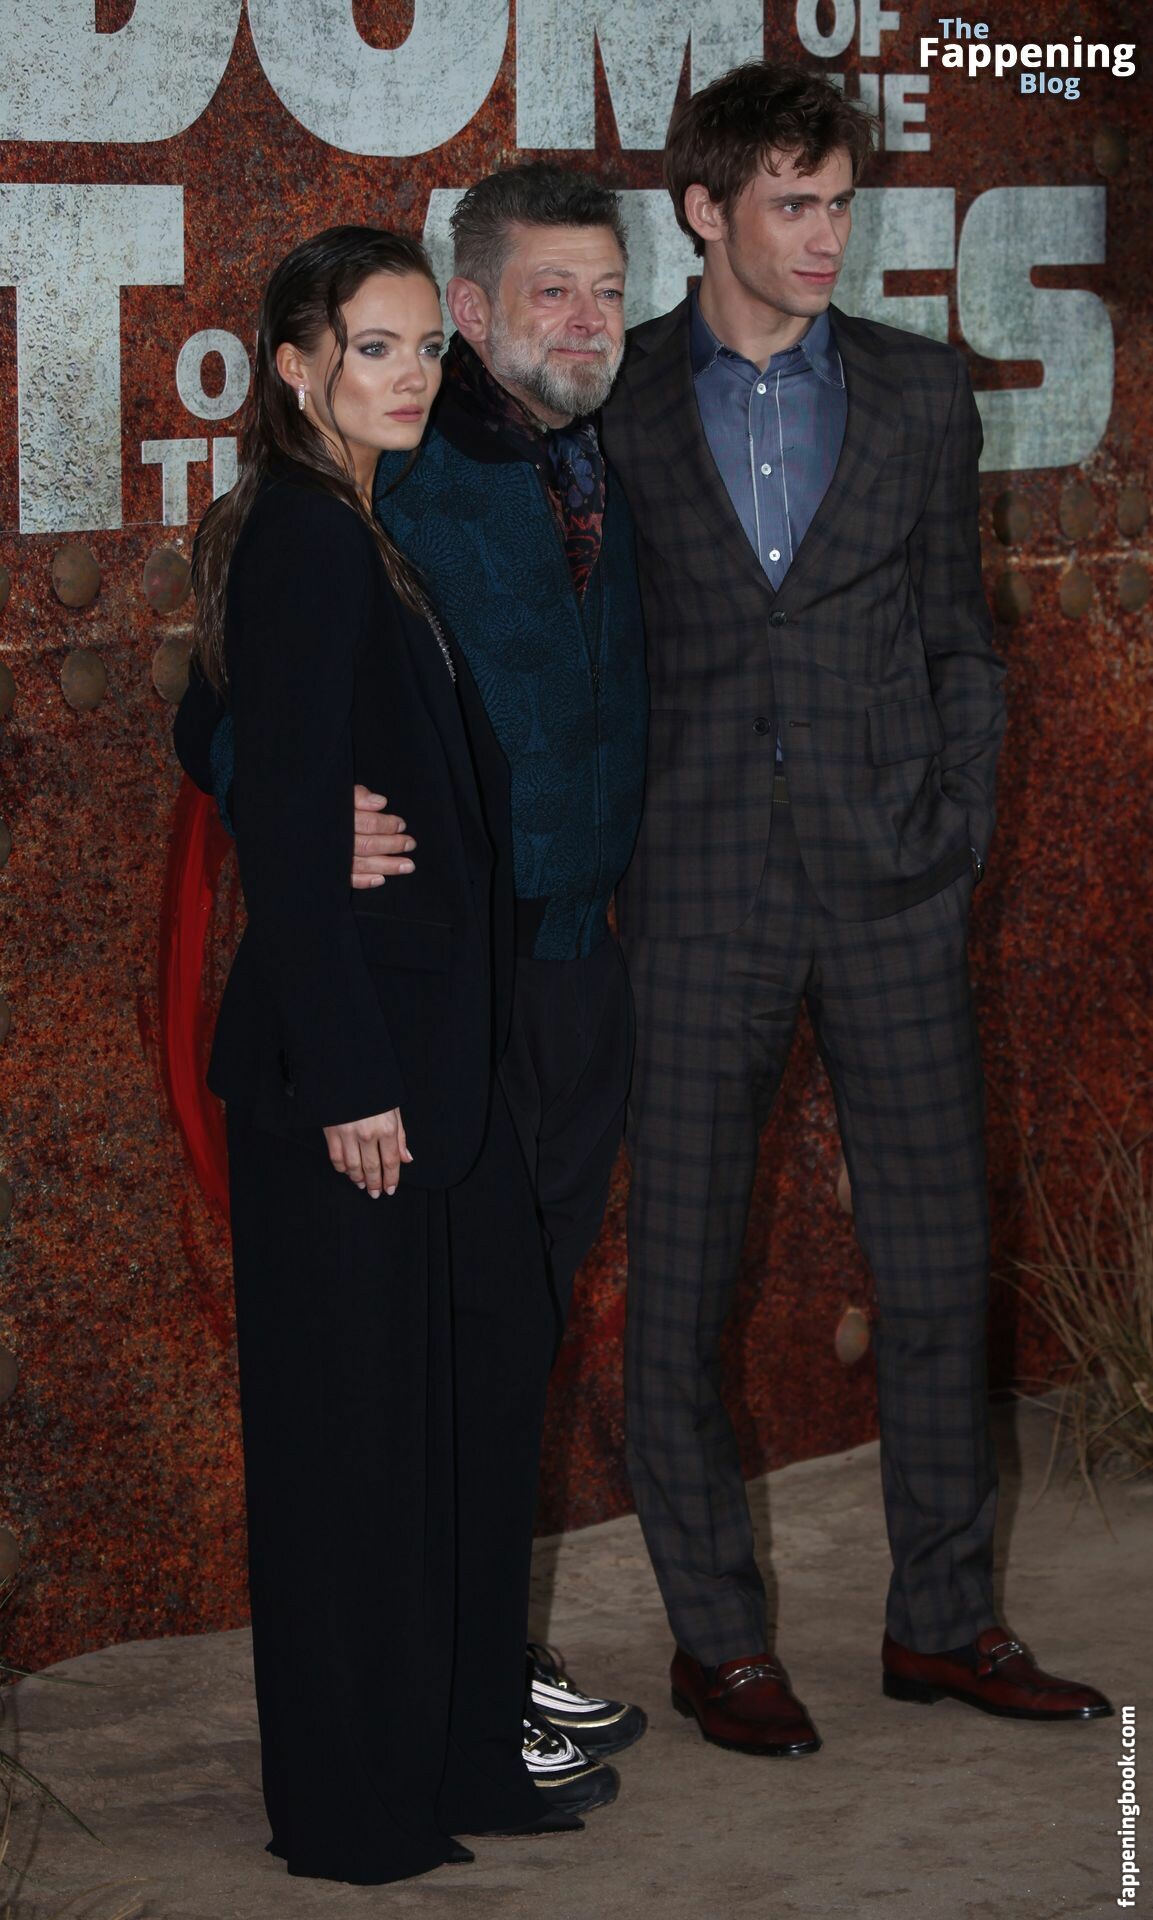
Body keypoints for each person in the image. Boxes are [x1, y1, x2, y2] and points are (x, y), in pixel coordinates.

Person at [599, 61, 1113, 1751]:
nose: (826, 236)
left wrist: (955, 832)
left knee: (938, 1266)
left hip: (892, 885)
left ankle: (942, 1622)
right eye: (792, 205)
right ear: (704, 211)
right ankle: (719, 1647)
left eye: (839, 204)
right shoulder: (616, 400)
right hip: (692, 899)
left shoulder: (914, 391)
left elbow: (960, 638)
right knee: (679, 1288)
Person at [175, 169, 649, 1805]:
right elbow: (225, 717)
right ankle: (432, 1735)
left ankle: (460, 1707)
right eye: (374, 347)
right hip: (399, 1019)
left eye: (418, 349)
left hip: (528, 986)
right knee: (396, 1397)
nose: (409, 375)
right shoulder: (343, 517)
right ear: (300, 364)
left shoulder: (419, 499)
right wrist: (297, 815)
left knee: (485, 1358)